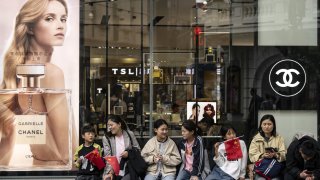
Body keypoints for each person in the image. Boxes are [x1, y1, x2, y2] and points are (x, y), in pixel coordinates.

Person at [0, 0, 76, 166]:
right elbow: (67, 153)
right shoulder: (51, 73)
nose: (60, 25)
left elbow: (3, 154)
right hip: (57, 173)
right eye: (49, 18)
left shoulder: (18, 73)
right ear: (30, 27)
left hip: (37, 168)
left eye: (63, 19)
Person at [102, 115, 140, 180]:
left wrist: (128, 153)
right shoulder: (106, 138)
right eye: (108, 125)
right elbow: (108, 158)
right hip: (113, 169)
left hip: (129, 167)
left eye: (111, 125)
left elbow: (138, 150)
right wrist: (110, 172)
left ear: (119, 124)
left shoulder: (129, 134)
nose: (109, 127)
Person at [249, 114, 286, 180]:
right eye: (264, 124)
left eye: (269, 124)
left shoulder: (279, 138)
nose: (267, 126)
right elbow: (252, 156)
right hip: (261, 170)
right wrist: (262, 155)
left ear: (273, 125)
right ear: (261, 125)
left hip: (275, 170)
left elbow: (284, 154)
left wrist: (275, 155)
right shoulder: (255, 139)